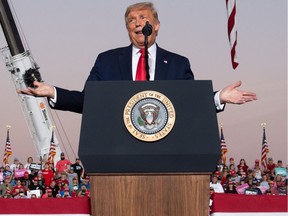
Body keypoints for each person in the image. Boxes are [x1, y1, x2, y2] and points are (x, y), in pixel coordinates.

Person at [17, 2, 257, 114]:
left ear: (157, 25)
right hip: (116, 152)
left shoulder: (177, 63)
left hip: (165, 153)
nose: (138, 22)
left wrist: (218, 97)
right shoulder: (107, 61)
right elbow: (88, 102)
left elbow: (189, 103)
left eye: (143, 18)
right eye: (131, 20)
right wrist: (53, 92)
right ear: (127, 28)